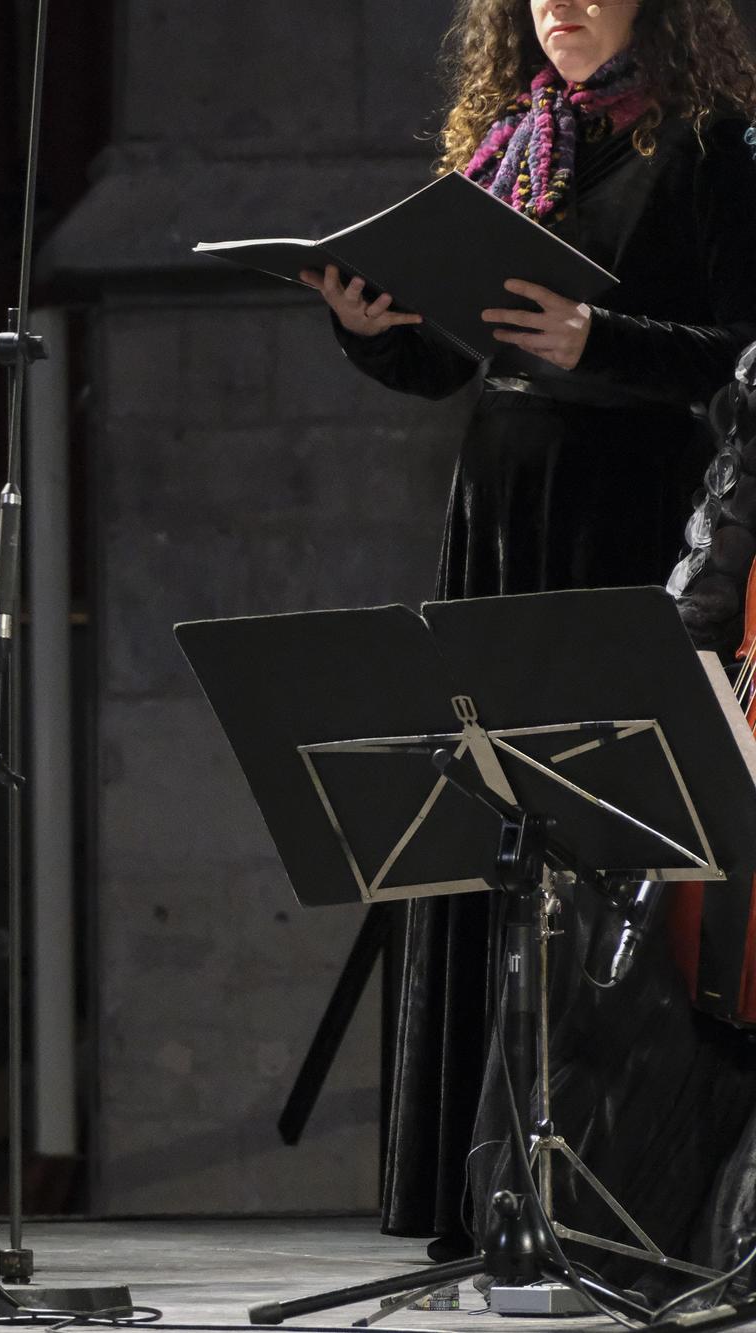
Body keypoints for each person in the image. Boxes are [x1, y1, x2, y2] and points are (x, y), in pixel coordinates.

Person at [302, 0, 756, 1267]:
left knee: (609, 851)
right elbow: (451, 367)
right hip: (500, 516)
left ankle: (613, 1192)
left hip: (634, 515)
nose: (553, 1)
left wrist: (596, 338)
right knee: (486, 834)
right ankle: (486, 1190)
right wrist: (367, 327)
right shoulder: (514, 146)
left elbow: (745, 356)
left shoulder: (712, 147)